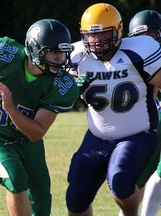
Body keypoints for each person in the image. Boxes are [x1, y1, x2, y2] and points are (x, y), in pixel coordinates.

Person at [0, 19, 79, 216]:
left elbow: (37, 132)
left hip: (29, 143)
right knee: (16, 179)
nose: (60, 58)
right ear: (34, 49)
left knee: (41, 202)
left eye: (62, 53)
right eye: (53, 52)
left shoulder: (61, 85)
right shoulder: (5, 53)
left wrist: (11, 108)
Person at [65, 3, 161, 216]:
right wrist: (70, 89)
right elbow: (52, 90)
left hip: (136, 134)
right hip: (97, 136)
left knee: (120, 181)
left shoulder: (138, 51)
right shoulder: (76, 56)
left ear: (118, 31)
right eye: (91, 35)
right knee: (75, 199)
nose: (97, 41)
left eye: (104, 34)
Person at [128, 9, 161, 216]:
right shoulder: (130, 60)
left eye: (150, 37)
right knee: (137, 179)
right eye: (140, 39)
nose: (146, 44)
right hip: (145, 124)